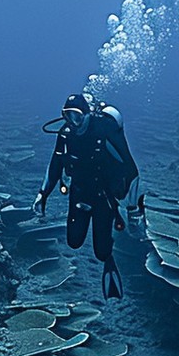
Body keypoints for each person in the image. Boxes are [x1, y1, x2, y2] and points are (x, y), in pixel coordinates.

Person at [32, 93, 144, 299]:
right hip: (79, 192)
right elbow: (55, 165)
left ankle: (109, 260)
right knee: (74, 241)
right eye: (67, 116)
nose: (72, 123)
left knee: (101, 252)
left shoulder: (105, 130)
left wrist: (134, 208)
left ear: (87, 115)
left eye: (76, 116)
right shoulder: (66, 134)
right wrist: (42, 194)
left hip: (104, 195)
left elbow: (131, 170)